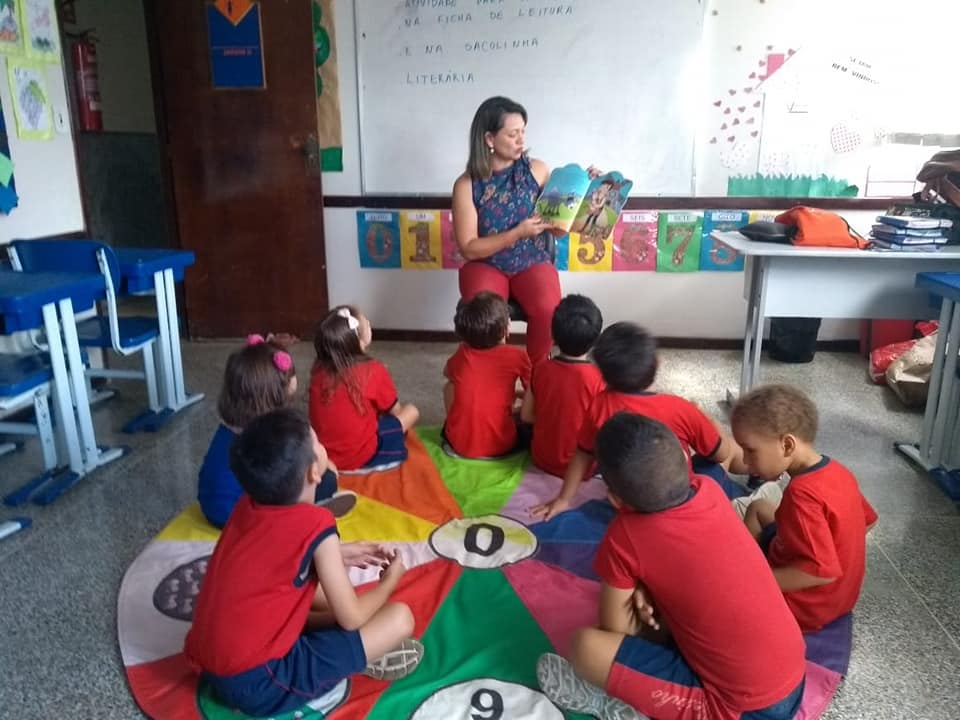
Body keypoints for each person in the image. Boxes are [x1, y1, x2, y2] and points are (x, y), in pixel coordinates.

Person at [537, 412, 806, 720]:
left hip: (738, 709)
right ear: (683, 457)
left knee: (585, 647)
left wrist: (638, 593)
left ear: (615, 500)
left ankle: (624, 706)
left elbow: (617, 629)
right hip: (794, 674)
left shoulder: (625, 536)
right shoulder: (709, 489)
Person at [185, 409, 423, 716]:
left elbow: (273, 557)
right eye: (318, 443)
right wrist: (390, 582)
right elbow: (351, 618)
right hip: (261, 684)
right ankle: (352, 658)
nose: (323, 447)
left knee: (322, 596)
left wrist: (336, 553)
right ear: (314, 472)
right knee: (401, 619)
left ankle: (343, 648)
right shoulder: (316, 523)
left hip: (211, 661)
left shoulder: (248, 504)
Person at [530, 322, 747, 521]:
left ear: (601, 374)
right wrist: (707, 418)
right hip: (676, 499)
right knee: (728, 449)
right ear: (657, 363)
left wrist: (563, 499)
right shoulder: (681, 409)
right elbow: (721, 454)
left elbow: (582, 454)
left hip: (627, 501)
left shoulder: (599, 405)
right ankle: (757, 473)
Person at [731, 384, 878, 632]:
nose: (745, 461)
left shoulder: (802, 495)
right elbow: (868, 521)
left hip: (806, 607)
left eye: (750, 450)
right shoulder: (838, 471)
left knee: (726, 593)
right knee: (758, 507)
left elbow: (820, 573)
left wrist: (755, 582)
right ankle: (749, 564)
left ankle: (747, 573)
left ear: (787, 445)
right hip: (842, 599)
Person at [198, 335, 354, 528]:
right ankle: (301, 516)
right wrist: (323, 467)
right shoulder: (272, 435)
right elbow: (291, 474)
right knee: (327, 479)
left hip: (210, 508)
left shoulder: (228, 425)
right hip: (245, 515)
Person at [451, 95, 561, 364]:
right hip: (485, 262)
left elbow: (559, 229)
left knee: (548, 309)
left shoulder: (538, 171)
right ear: (489, 139)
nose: (521, 140)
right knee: (484, 317)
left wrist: (585, 189)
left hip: (531, 259)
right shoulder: (466, 185)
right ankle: (491, 374)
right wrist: (517, 233)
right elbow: (469, 247)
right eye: (513, 134)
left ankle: (537, 374)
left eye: (523, 132)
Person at [309, 306, 419, 471]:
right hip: (360, 455)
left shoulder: (317, 371)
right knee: (411, 411)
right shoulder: (374, 370)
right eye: (366, 322)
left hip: (325, 454)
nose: (368, 322)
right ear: (359, 341)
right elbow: (395, 412)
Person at [521, 294, 605, 478]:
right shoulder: (599, 379)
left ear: (553, 336)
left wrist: (552, 419)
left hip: (542, 459)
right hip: (582, 468)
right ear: (595, 340)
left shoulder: (540, 369)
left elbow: (526, 416)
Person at [443, 291, 532, 458]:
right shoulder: (518, 356)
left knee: (450, 385)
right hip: (502, 445)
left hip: (459, 444)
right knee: (529, 416)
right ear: (506, 330)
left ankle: (459, 424)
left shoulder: (463, 352)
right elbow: (534, 392)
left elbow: (447, 373)